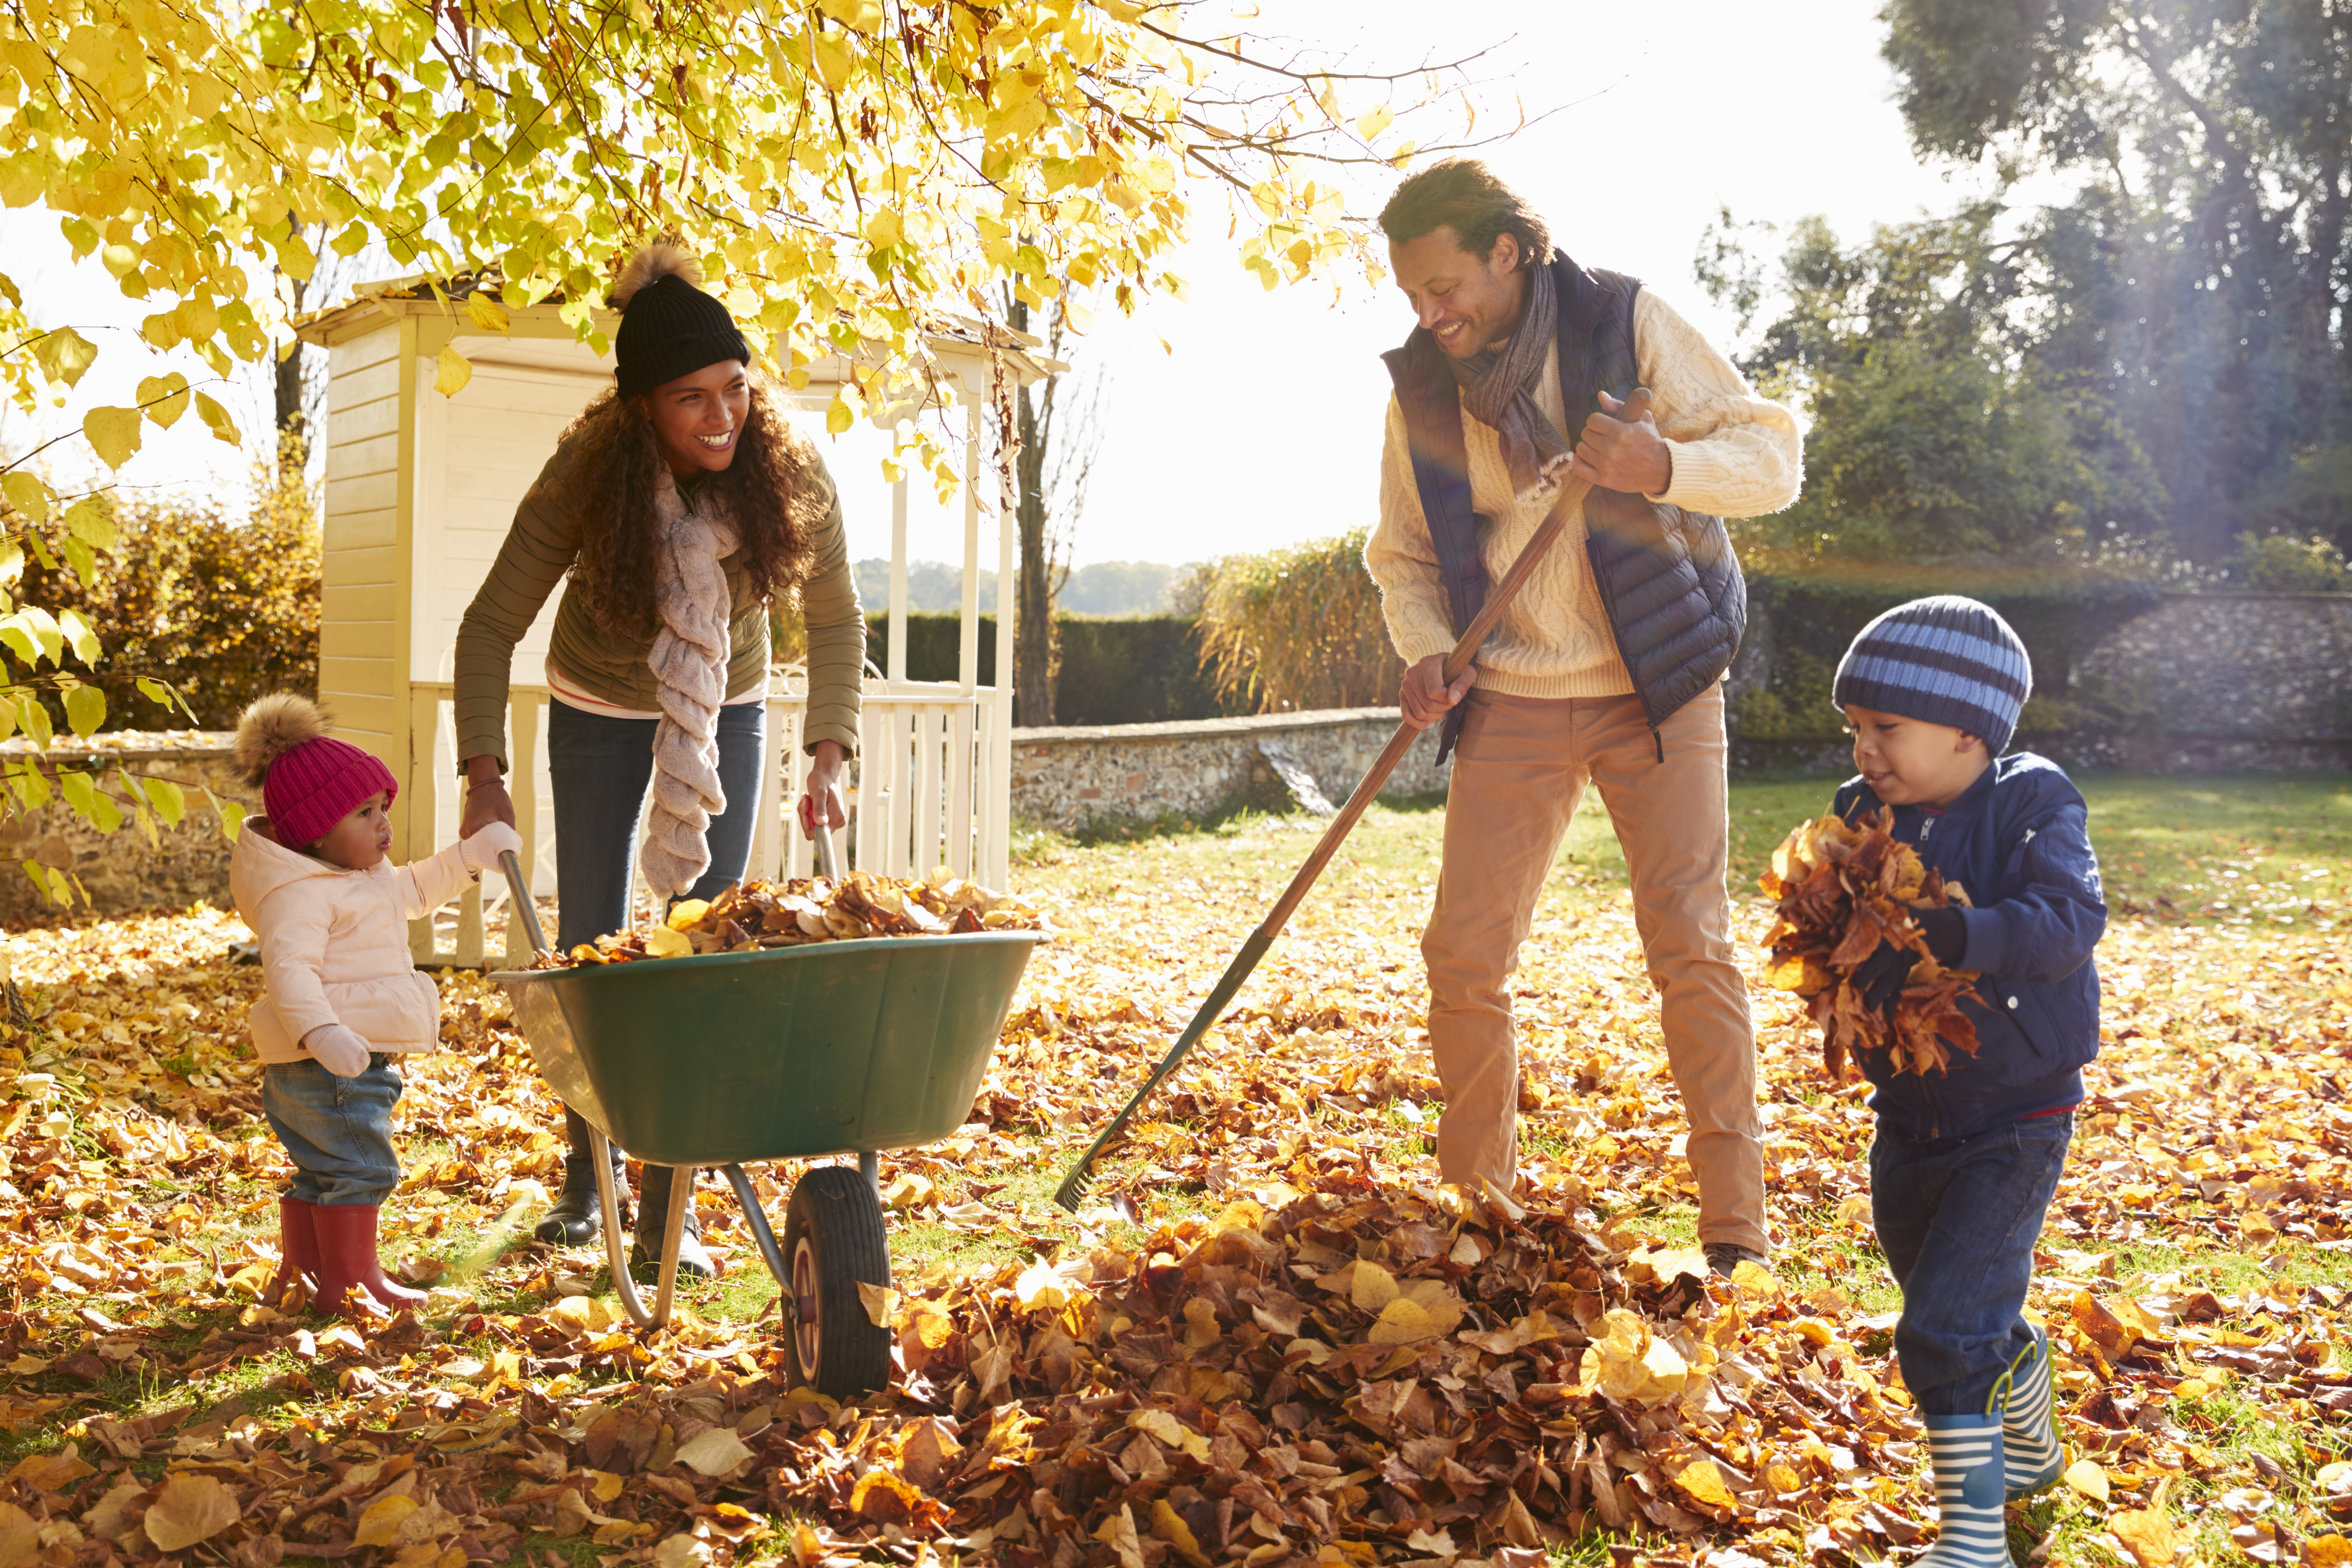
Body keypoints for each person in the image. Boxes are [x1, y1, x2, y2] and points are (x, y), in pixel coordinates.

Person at [1363, 158, 1800, 1273]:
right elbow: (1405, 554)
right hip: (1513, 689)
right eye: (1414, 293)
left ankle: (1735, 1233)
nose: (1432, 311)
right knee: (1463, 954)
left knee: (1687, 941)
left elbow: (1772, 459)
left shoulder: (1623, 320)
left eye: (1446, 284)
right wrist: (1423, 647)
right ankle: (1477, 1217)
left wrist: (1663, 462)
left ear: (1507, 252)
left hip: (1658, 680)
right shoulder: (1422, 386)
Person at [453, 245, 865, 1275]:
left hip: (724, 703)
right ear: (642, 409)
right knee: (592, 944)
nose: (721, 415)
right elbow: (485, 628)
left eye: (734, 388)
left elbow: (834, 617)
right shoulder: (586, 480)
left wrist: (829, 752)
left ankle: (666, 1203)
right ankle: (587, 1180)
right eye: (692, 400)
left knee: (703, 949)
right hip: (598, 704)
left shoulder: (788, 468)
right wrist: (483, 771)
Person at [1827, 595, 2101, 1562]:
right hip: (1908, 1108)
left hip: (2017, 1109)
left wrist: (1967, 932)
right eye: (1854, 727)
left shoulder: (2033, 801)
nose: (1864, 747)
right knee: (1953, 1301)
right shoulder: (1866, 811)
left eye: (1885, 728)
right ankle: (2020, 1387)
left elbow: (2069, 920)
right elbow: (1841, 914)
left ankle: (1972, 1540)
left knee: (1942, 1324)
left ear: (1966, 729)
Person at [230, 694, 524, 1317]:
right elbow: (289, 972)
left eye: (382, 807)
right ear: (314, 832)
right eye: (365, 813)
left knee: (326, 1172)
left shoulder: (357, 875)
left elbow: (414, 889)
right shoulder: (300, 896)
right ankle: (353, 1279)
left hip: (342, 1059)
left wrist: (470, 857)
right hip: (328, 1065)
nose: (384, 824)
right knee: (364, 1170)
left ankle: (312, 1274)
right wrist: (321, 1032)